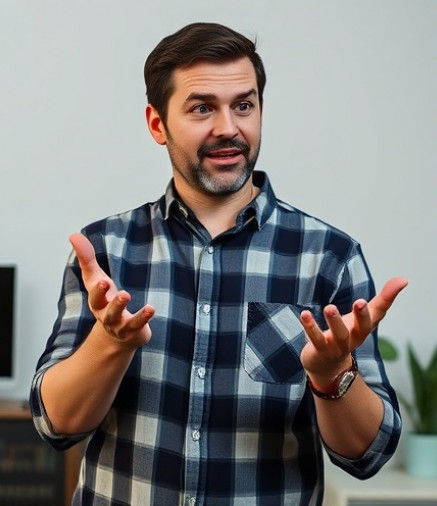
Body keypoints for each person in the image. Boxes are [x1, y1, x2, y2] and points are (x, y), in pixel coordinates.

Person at [31, 22, 406, 505]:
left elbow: (367, 454)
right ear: (156, 124)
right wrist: (109, 342)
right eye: (202, 107)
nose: (228, 127)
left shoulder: (329, 257)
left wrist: (333, 375)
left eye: (243, 105)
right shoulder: (104, 251)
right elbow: (54, 424)